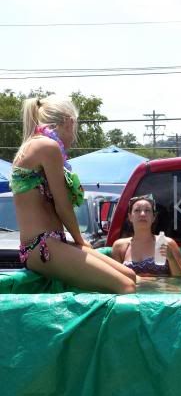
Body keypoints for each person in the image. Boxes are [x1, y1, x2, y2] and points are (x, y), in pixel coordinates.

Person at [11, 95, 136, 294]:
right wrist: (80, 240)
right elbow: (62, 205)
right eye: (76, 129)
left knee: (130, 276)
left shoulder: (37, 145)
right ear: (69, 122)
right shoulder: (47, 146)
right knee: (126, 287)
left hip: (50, 242)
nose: (74, 138)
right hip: (41, 245)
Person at [111, 195, 181, 277]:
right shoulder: (120, 247)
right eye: (137, 210)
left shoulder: (167, 243)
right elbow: (116, 278)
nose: (142, 214)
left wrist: (171, 258)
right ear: (130, 217)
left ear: (153, 217)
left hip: (161, 289)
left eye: (147, 210)